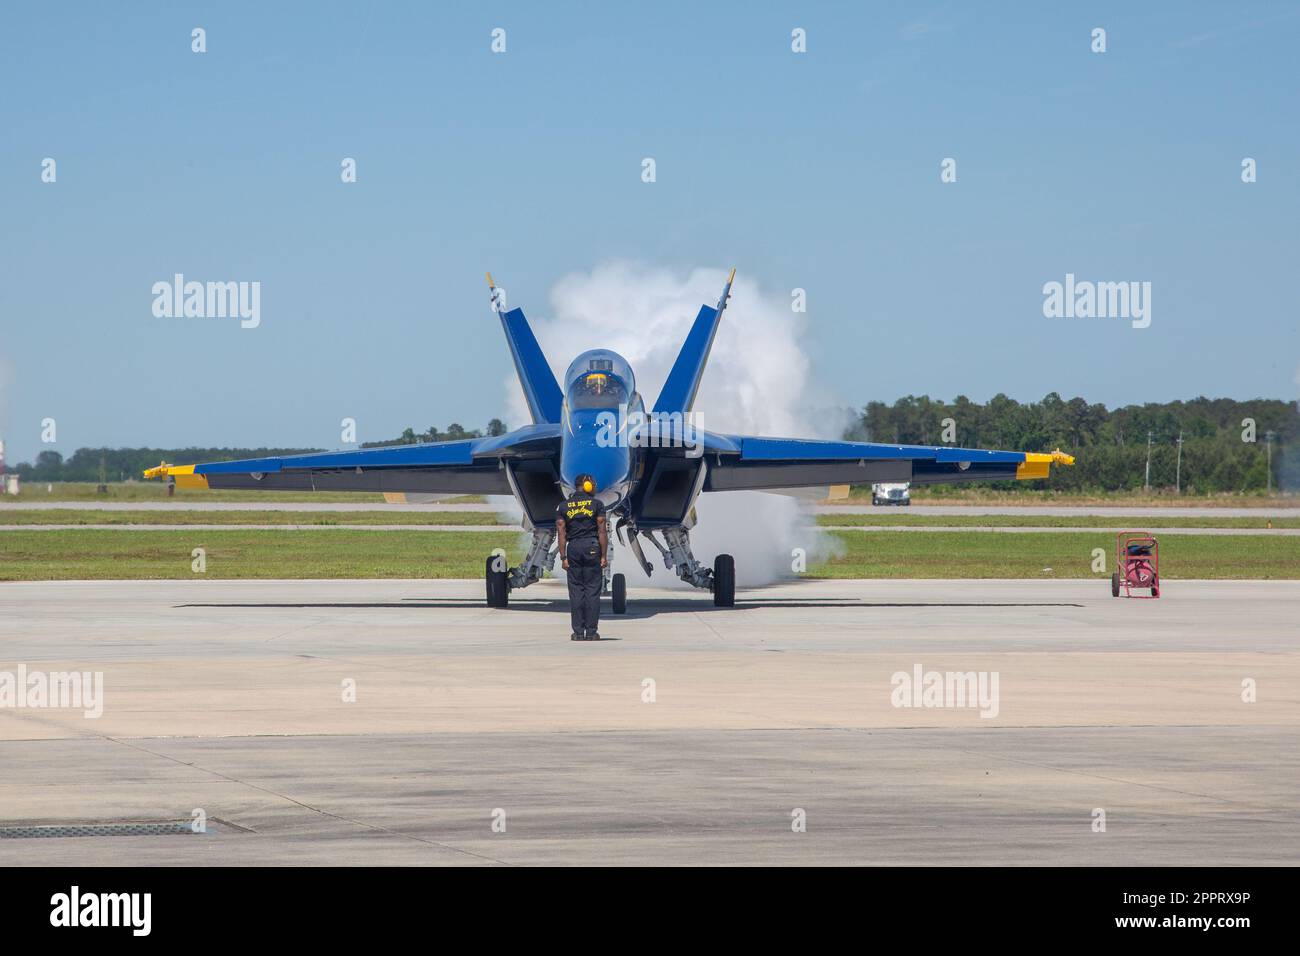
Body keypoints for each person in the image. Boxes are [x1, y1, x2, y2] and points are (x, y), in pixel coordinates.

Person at [555, 474, 608, 641]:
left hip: (573, 548)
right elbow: (602, 532)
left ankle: (578, 632)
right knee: (592, 591)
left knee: (576, 591)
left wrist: (563, 557)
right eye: (592, 484)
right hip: (592, 548)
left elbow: (561, 533)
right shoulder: (597, 505)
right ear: (586, 486)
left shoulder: (563, 507)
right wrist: (603, 555)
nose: (594, 486)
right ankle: (591, 632)